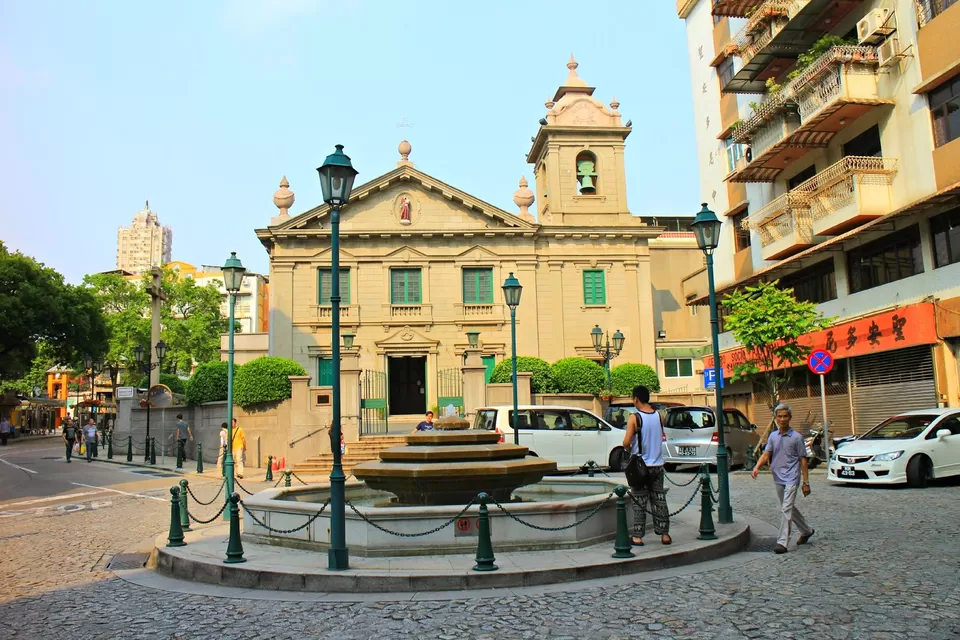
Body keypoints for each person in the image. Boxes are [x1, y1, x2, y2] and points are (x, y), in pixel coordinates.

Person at [751, 403, 814, 554]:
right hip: (778, 477)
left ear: (790, 417)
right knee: (788, 507)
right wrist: (757, 467)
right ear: (776, 418)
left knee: (786, 508)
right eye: (780, 416)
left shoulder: (797, 437)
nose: (783, 419)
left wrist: (806, 483)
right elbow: (767, 453)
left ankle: (782, 542)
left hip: (792, 477)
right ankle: (806, 530)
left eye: (785, 416)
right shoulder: (773, 436)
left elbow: (803, 460)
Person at [622, 385, 671, 546]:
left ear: (636, 398)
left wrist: (628, 447)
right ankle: (665, 535)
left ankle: (637, 536)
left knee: (639, 501)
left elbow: (626, 442)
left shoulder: (634, 418)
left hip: (641, 466)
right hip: (658, 465)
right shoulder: (659, 416)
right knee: (659, 499)